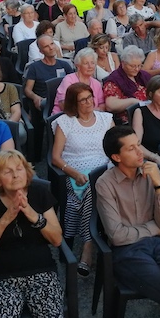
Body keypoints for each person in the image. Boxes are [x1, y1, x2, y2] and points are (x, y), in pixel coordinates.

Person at [95, 125, 160, 318]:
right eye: (131, 148)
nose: (139, 152)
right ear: (116, 157)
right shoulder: (105, 184)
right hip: (127, 251)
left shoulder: (151, 174)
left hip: (156, 244)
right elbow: (117, 236)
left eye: (139, 145)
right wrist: (155, 228)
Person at [0, 149, 66, 318]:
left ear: (27, 172)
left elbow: (57, 239)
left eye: (19, 169)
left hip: (41, 272)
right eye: (8, 171)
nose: (15, 175)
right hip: (1, 277)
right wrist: (6, 218)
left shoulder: (39, 193)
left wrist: (32, 215)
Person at [51, 83, 113, 276]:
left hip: (105, 170)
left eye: (90, 97)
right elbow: (55, 157)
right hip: (76, 174)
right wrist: (74, 173)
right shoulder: (65, 122)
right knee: (91, 190)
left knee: (96, 187)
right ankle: (90, 244)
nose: (89, 102)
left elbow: (115, 146)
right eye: (83, 100)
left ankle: (88, 245)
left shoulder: (105, 119)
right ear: (73, 103)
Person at [103, 45, 152, 125]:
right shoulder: (114, 79)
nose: (136, 69)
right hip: (129, 120)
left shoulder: (143, 75)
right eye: (132, 66)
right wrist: (133, 102)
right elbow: (110, 105)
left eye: (139, 65)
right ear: (123, 63)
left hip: (149, 113)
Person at [52, 48, 106, 115]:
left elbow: (102, 104)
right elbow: (63, 104)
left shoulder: (96, 83)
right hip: (67, 116)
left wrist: (93, 111)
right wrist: (86, 112)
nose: (90, 66)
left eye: (92, 63)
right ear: (78, 66)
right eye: (86, 63)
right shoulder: (69, 80)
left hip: (90, 118)